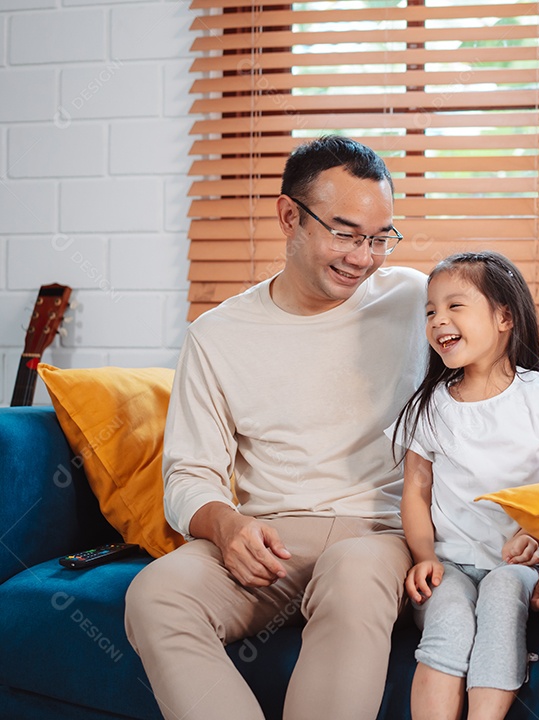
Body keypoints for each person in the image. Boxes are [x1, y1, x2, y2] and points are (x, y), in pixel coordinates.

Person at [124, 135, 431, 720]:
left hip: (384, 533)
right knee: (156, 594)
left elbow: (512, 374)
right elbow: (189, 474)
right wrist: (226, 524)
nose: (363, 257)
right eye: (345, 233)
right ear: (289, 216)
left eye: (379, 238)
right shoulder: (217, 335)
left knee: (355, 568)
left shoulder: (415, 298)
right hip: (275, 540)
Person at [389, 251, 539, 720]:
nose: (439, 321)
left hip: (519, 560)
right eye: (431, 311)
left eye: (455, 306)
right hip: (451, 562)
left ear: (504, 317)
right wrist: (425, 558)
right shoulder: (431, 406)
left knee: (501, 600)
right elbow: (415, 492)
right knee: (449, 619)